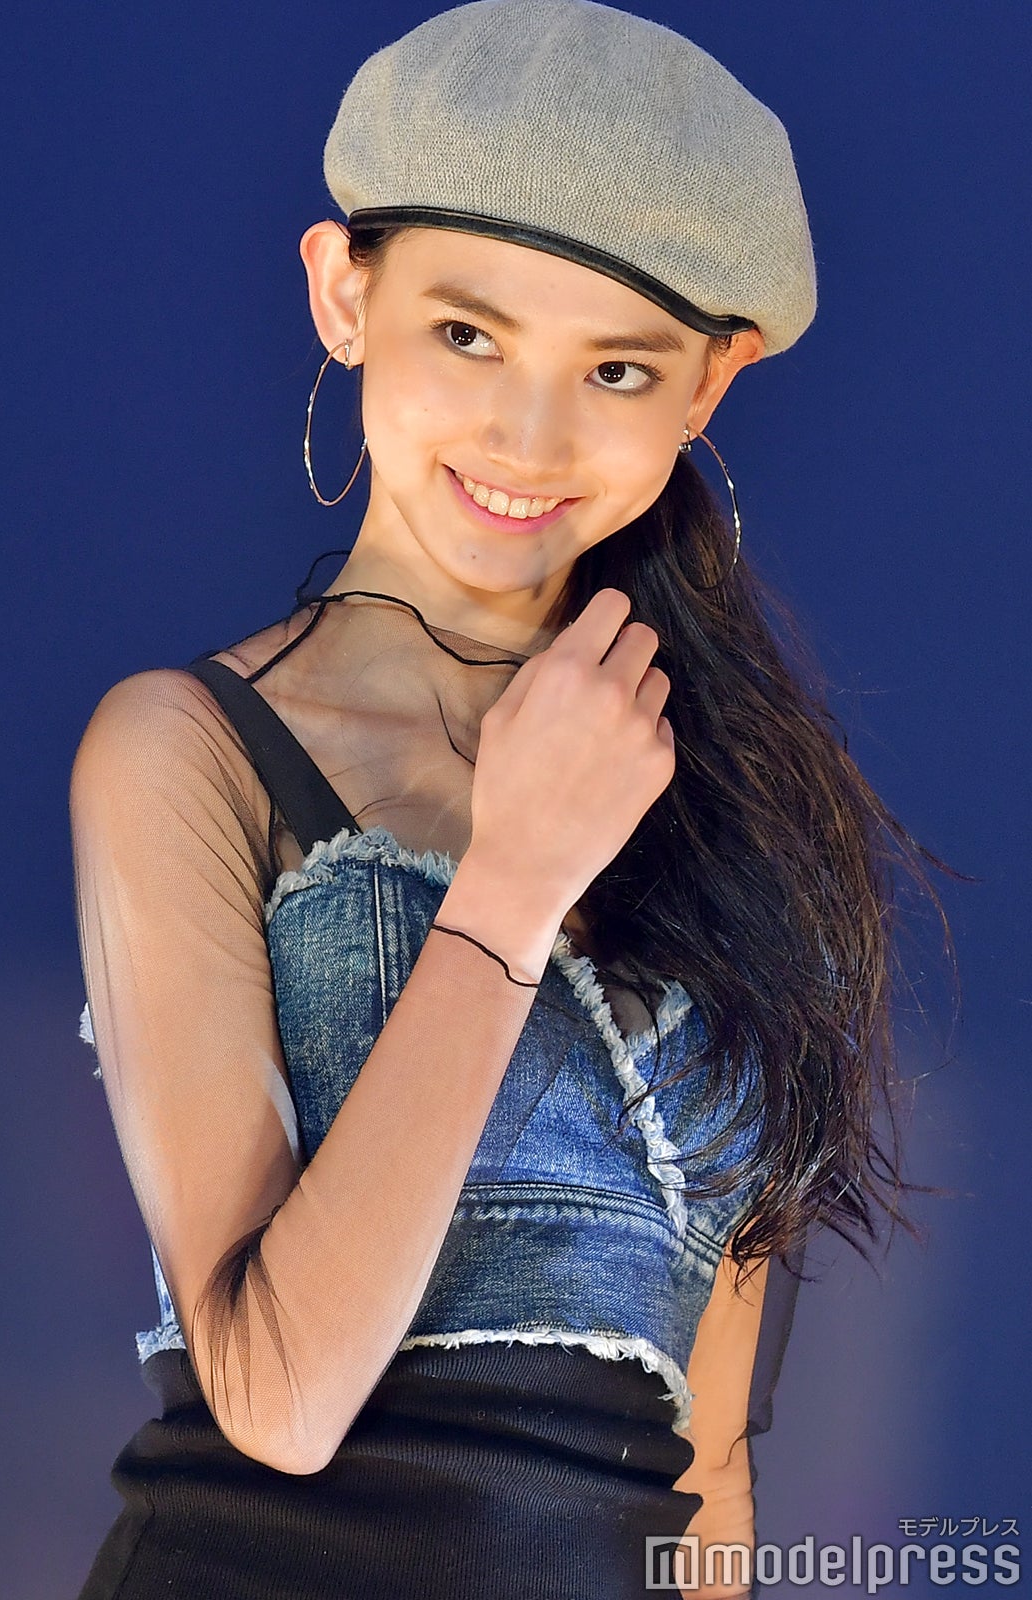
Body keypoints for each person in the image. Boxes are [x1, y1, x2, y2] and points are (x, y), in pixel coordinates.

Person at [68, 4, 943, 1597]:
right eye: (466, 336)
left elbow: (711, 1471)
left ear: (709, 385)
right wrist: (511, 885)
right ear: (344, 295)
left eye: (616, 369)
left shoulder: (741, 818)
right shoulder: (188, 750)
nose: (528, 439)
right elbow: (276, 1394)